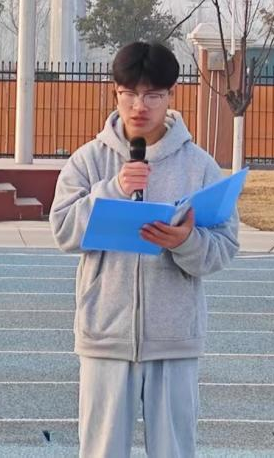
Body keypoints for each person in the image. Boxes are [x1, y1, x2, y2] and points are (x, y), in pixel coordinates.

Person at [50, 41, 240, 457]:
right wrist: (113, 190)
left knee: (175, 450)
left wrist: (186, 242)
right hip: (105, 334)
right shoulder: (88, 161)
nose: (140, 106)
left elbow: (225, 245)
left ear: (171, 95)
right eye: (129, 94)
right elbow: (62, 230)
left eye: (153, 95)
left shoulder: (198, 166)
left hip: (174, 337)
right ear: (115, 92)